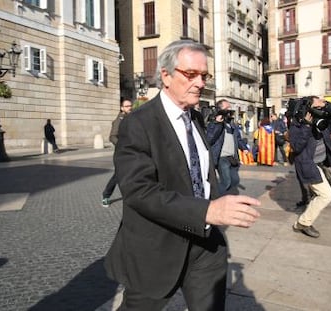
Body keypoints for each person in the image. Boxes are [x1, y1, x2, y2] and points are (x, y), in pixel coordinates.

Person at [104, 40, 260, 311]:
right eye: (191, 74)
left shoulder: (196, 117)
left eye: (204, 75)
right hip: (155, 249)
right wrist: (206, 211)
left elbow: (199, 171)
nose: (200, 83)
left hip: (205, 247)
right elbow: (139, 192)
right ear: (166, 75)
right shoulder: (137, 123)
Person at [289, 96, 331, 238]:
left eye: (321, 106)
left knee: (321, 194)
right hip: (309, 165)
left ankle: (305, 218)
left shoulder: (323, 119)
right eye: (317, 107)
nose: (320, 109)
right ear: (308, 109)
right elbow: (296, 146)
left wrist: (325, 104)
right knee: (326, 195)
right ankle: (303, 223)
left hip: (323, 162)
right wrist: (307, 126)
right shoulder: (297, 124)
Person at [206, 99, 249, 195]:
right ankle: (217, 199)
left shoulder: (231, 123)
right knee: (226, 182)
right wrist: (217, 123)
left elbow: (237, 138)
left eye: (230, 108)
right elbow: (209, 139)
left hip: (232, 157)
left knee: (235, 180)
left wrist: (244, 148)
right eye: (227, 108)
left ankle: (226, 196)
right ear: (220, 109)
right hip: (222, 157)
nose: (229, 110)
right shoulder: (214, 122)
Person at [101, 99, 133, 208]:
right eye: (127, 106)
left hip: (131, 152)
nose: (130, 107)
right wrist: (122, 146)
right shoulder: (119, 120)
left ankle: (131, 196)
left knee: (133, 173)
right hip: (122, 153)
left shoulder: (131, 118)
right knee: (117, 176)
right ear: (122, 108)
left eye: (130, 105)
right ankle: (106, 196)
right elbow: (112, 136)